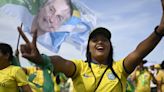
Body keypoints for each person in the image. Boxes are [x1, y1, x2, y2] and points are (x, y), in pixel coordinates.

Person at [18, 0, 164, 91]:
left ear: (110, 46)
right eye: (95, 40)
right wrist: (42, 59)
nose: (100, 42)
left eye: (104, 40)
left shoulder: (120, 69)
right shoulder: (80, 67)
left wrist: (160, 30)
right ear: (88, 47)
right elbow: (61, 62)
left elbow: (139, 52)